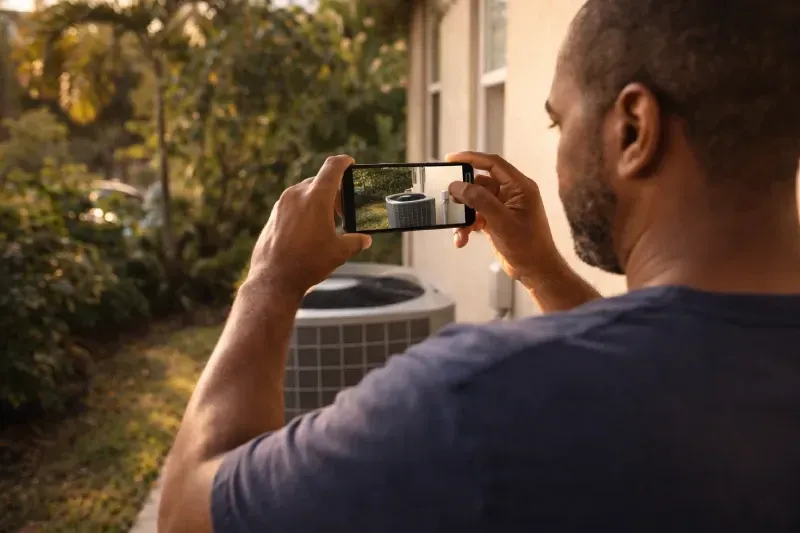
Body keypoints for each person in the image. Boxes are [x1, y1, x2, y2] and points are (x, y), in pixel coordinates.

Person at [158, 0, 800, 531]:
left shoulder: (473, 396)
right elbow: (674, 370)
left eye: (558, 122)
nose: (557, 153)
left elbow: (191, 507)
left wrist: (270, 278)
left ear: (634, 129)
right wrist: (544, 271)